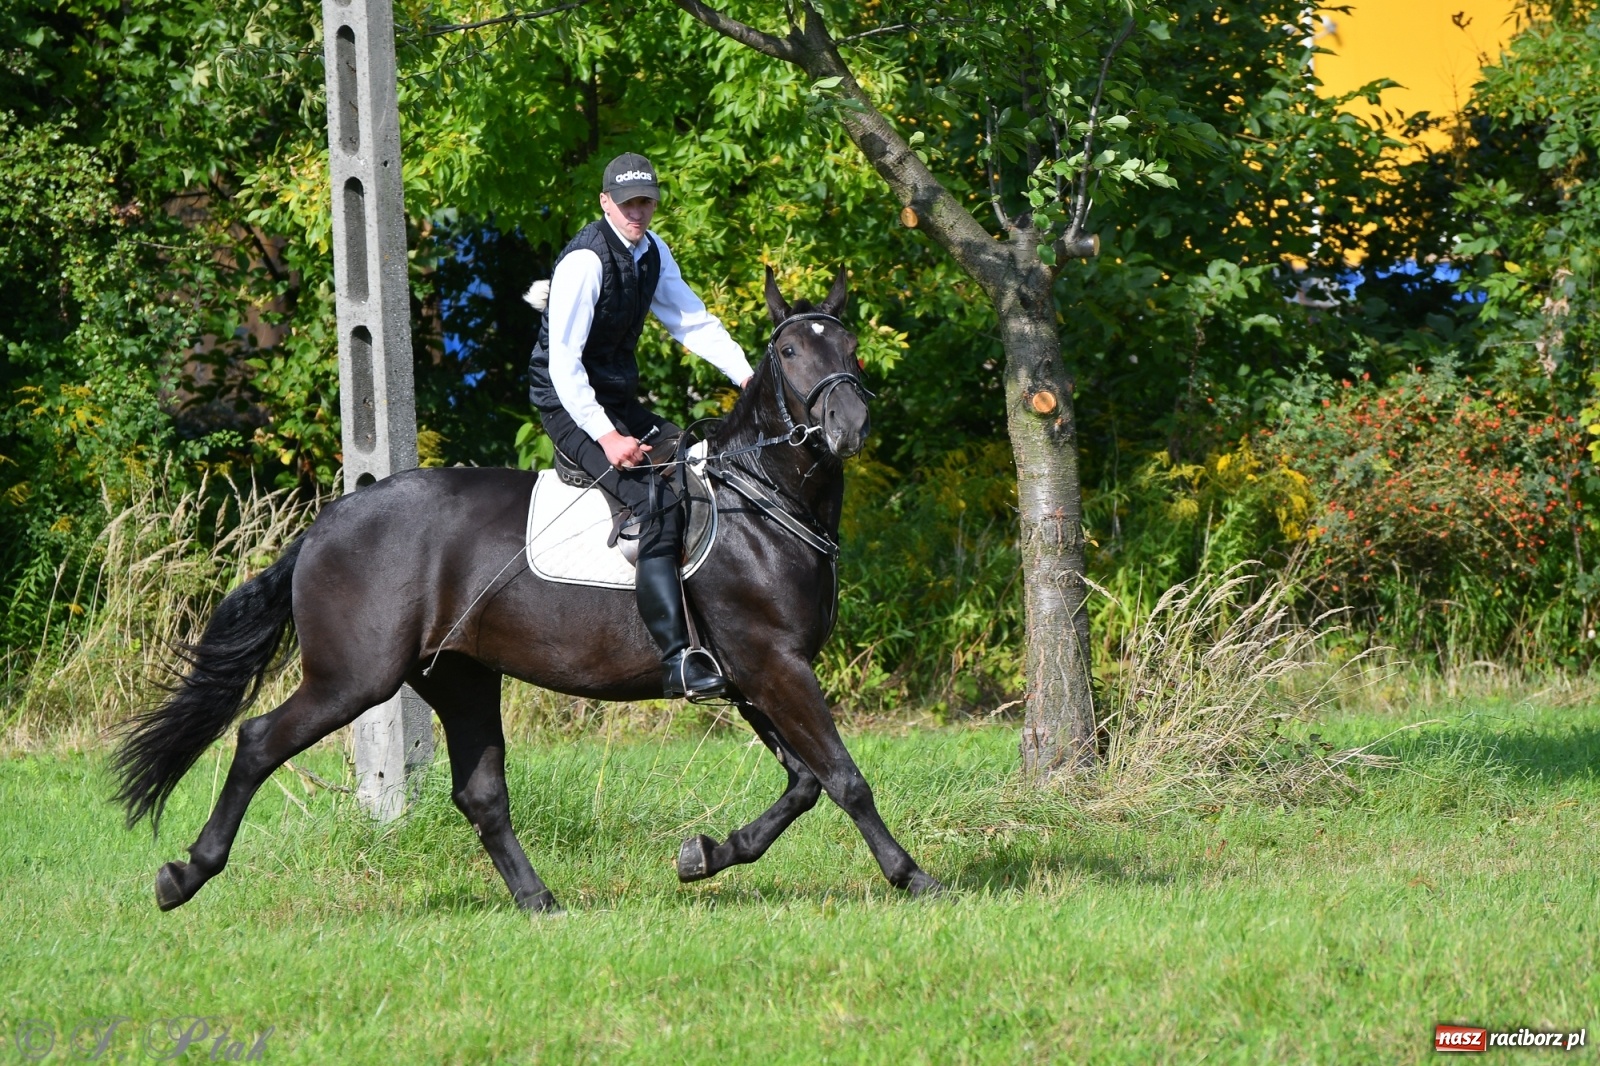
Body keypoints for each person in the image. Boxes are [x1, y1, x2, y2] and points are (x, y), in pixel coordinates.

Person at [527, 152, 753, 699]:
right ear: (606, 202)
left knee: (700, 466)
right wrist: (605, 436)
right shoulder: (585, 261)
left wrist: (748, 376)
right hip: (568, 404)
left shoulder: (653, 251)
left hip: (619, 402)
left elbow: (691, 322)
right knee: (654, 504)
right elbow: (564, 367)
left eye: (645, 201)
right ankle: (677, 661)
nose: (637, 211)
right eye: (627, 202)